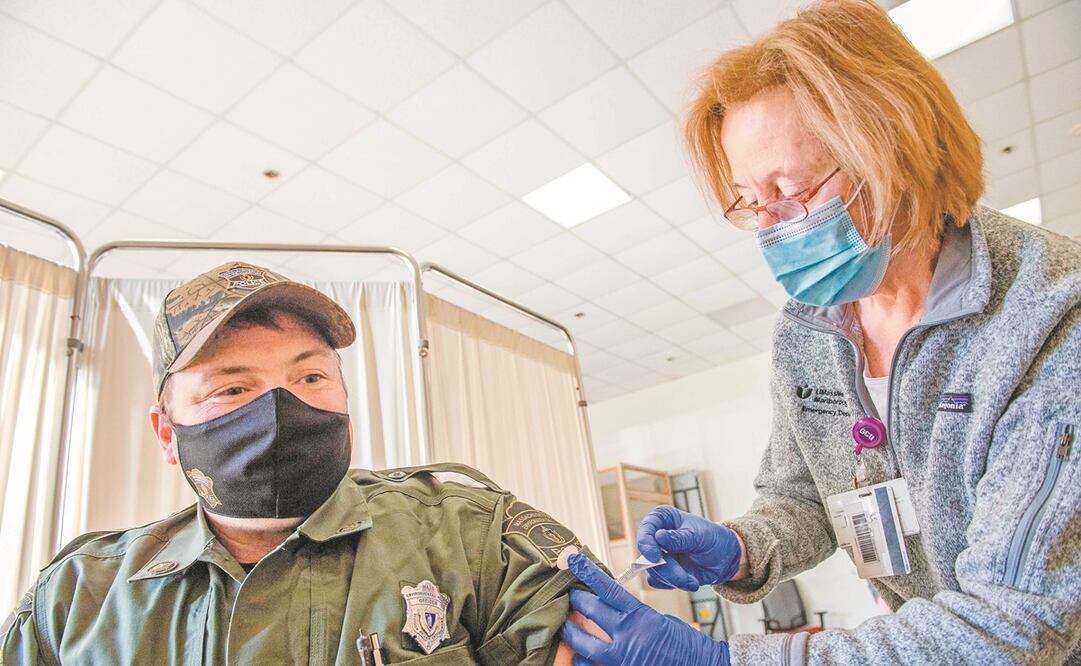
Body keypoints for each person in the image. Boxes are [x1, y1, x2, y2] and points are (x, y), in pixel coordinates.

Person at [563, 0, 1081, 664]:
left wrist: (725, 660)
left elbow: (1012, 626)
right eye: (751, 201)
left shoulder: (1048, 322)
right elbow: (803, 494)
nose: (770, 227)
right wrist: (743, 547)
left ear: (893, 150)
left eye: (791, 188)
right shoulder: (807, 332)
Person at [1, 261, 602, 664]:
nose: (279, 409)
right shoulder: (79, 598)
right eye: (232, 388)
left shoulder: (474, 541)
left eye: (310, 377)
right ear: (167, 433)